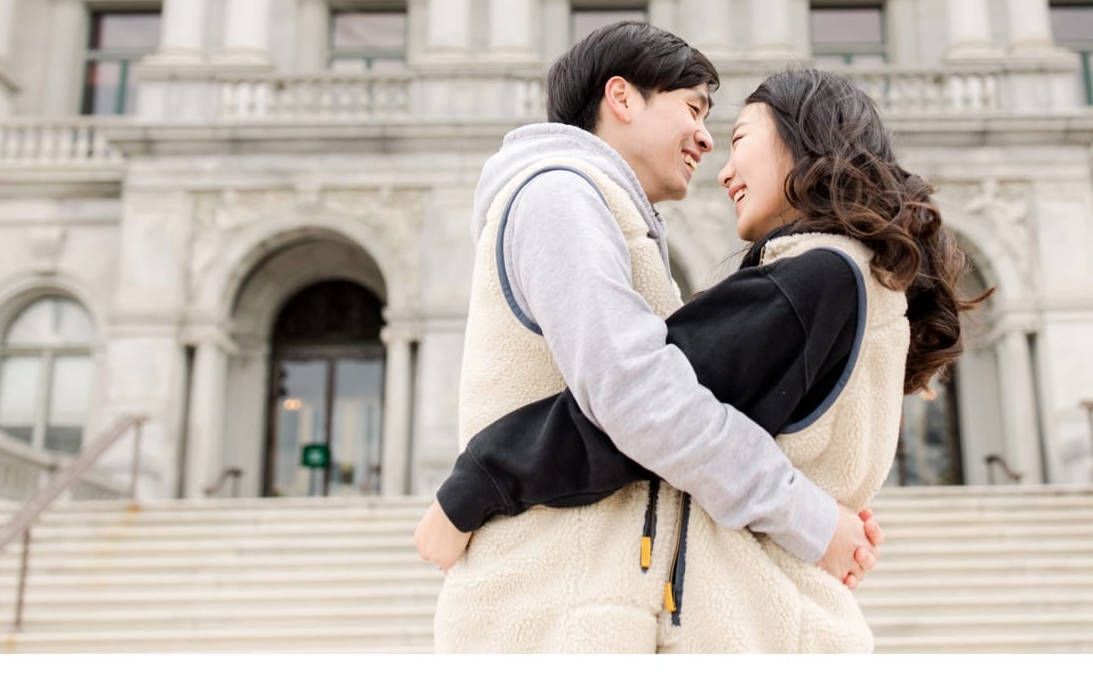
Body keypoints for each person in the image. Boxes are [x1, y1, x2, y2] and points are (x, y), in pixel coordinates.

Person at [417, 67, 988, 652]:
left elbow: (637, 404)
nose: (723, 170)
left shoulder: (813, 279)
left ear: (805, 139)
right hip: (791, 622)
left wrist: (475, 482)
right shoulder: (865, 280)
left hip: (751, 623)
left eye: (739, 138)